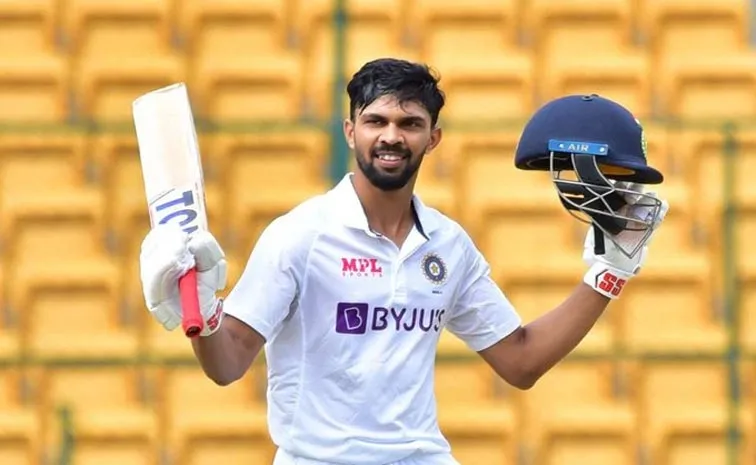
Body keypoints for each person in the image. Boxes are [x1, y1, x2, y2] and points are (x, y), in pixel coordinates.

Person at [139, 58, 669, 465]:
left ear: (432, 138)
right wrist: (205, 314)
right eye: (376, 120)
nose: (391, 135)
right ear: (351, 131)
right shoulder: (300, 235)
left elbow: (522, 362)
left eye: (410, 123)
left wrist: (610, 273)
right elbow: (228, 365)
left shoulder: (448, 244)